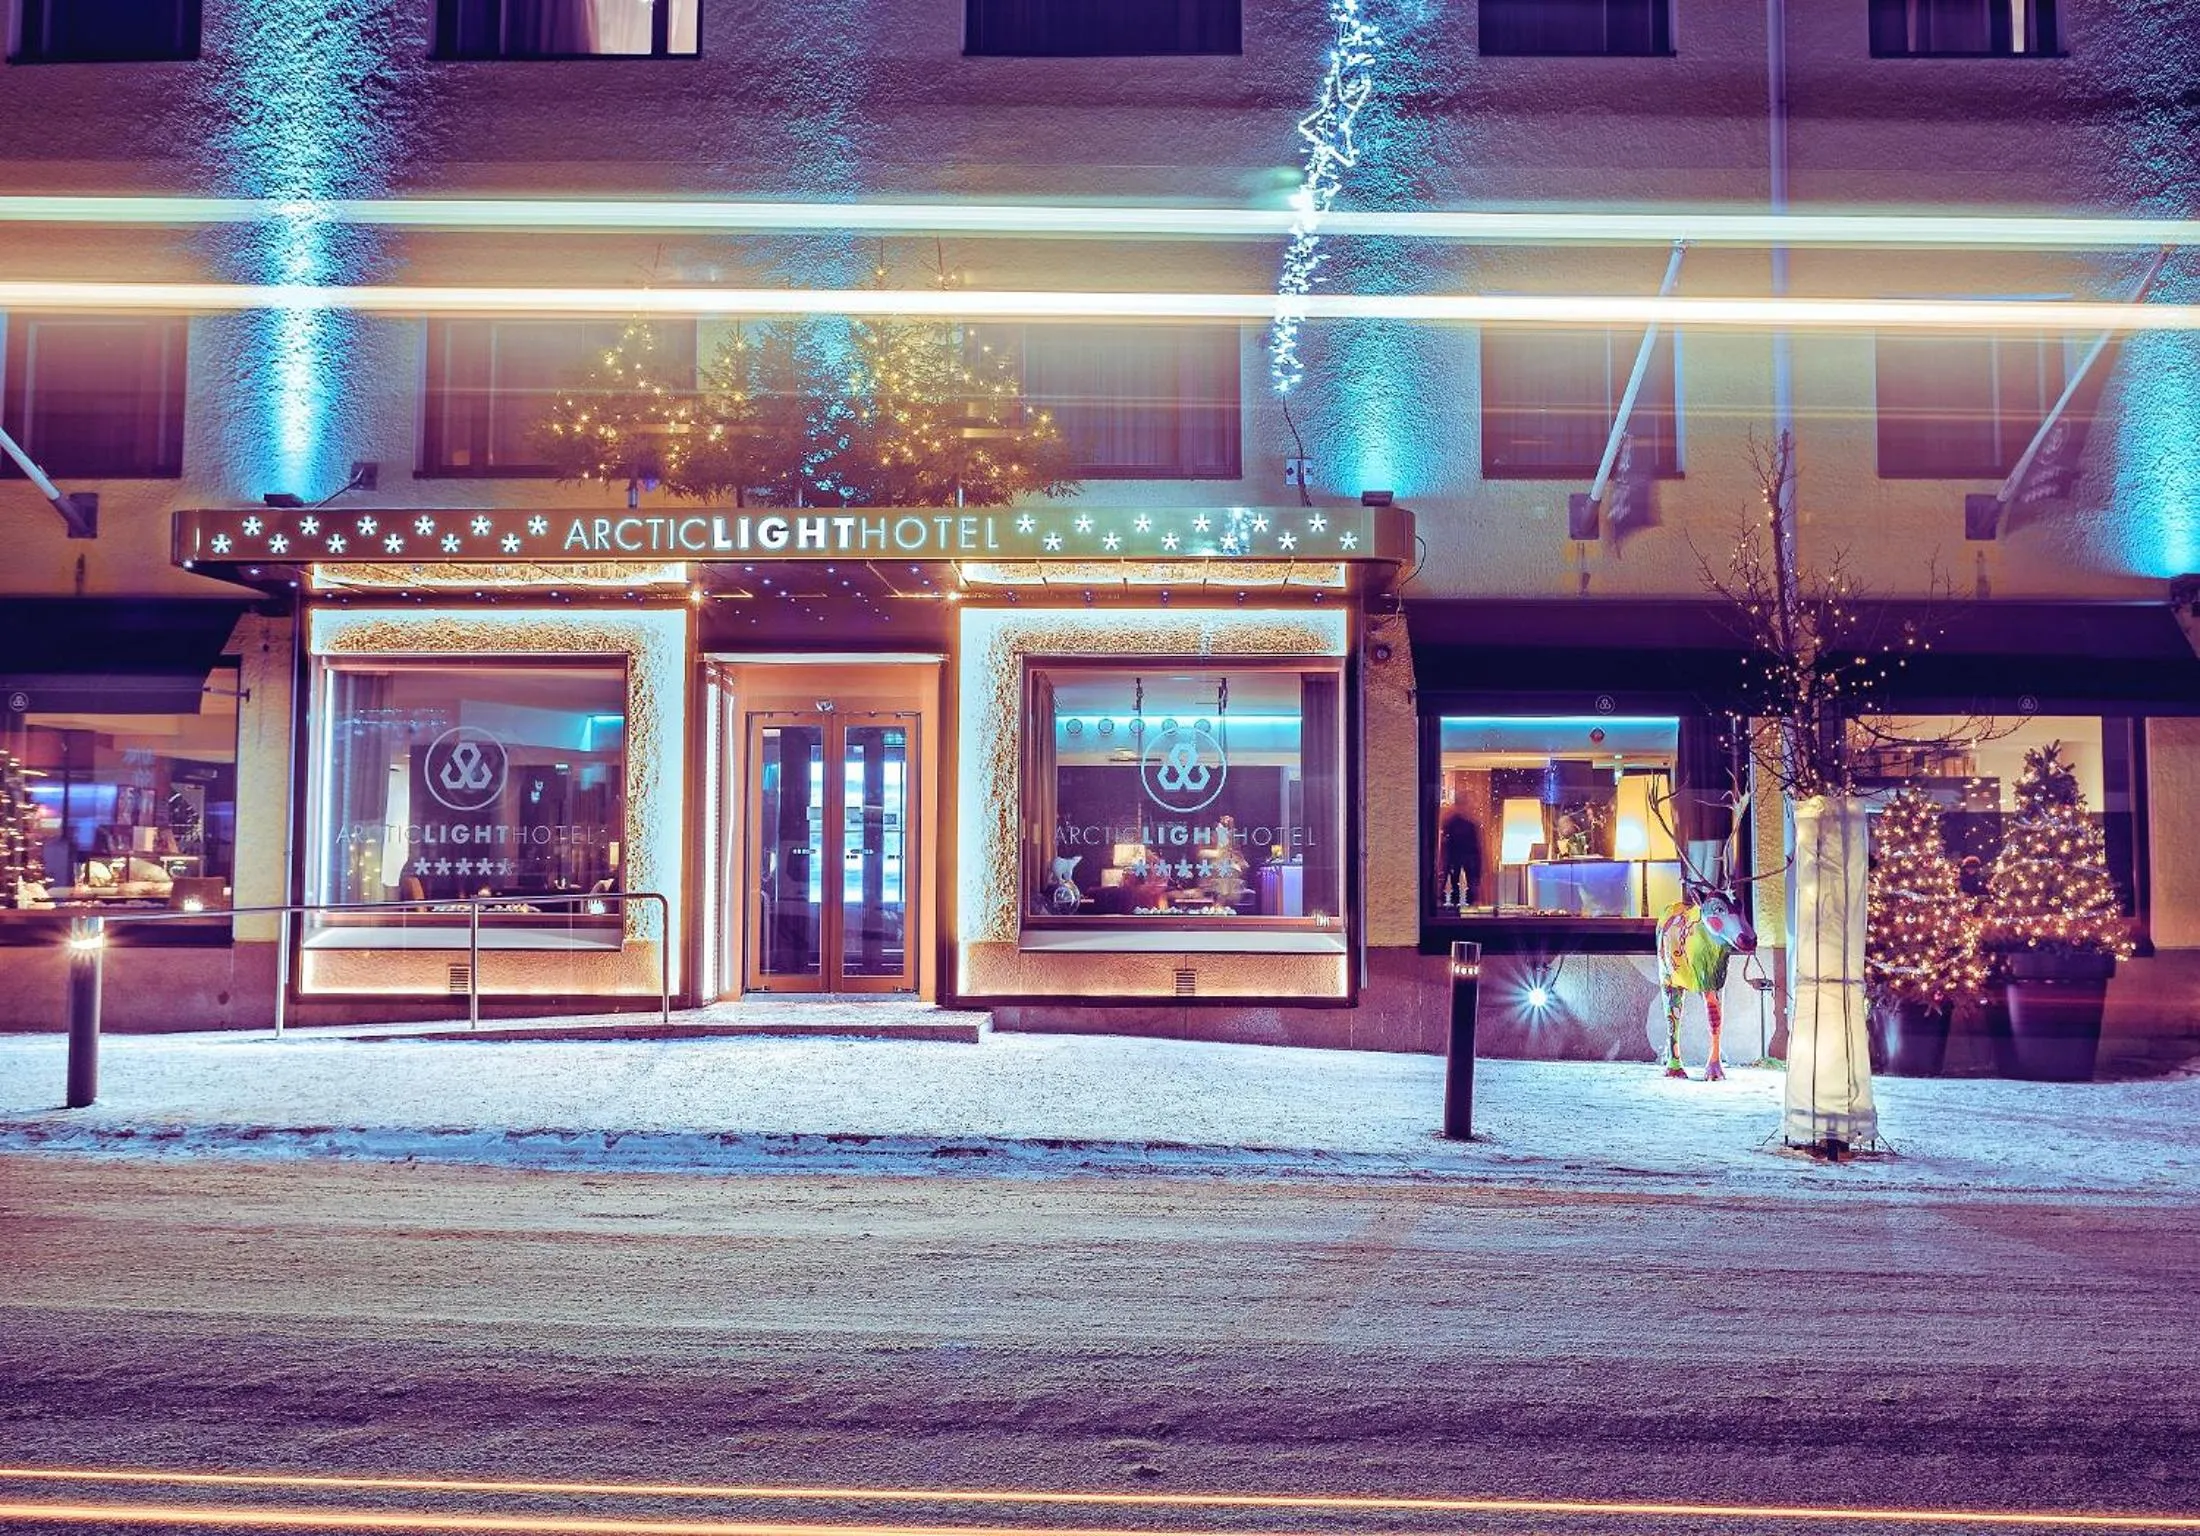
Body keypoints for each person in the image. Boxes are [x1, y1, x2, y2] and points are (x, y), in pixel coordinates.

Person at [1439, 807, 1481, 908]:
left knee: (1454, 885)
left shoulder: (1453, 825)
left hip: (1456, 863)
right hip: (1462, 863)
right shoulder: (1469, 826)